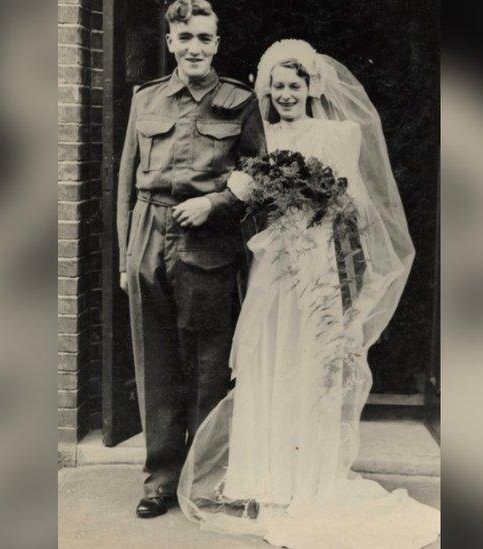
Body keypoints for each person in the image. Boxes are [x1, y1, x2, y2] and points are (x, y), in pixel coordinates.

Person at [178, 40, 441, 547]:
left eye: (294, 86)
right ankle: (262, 477)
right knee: (267, 351)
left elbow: (352, 202)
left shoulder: (337, 133)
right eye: (277, 87)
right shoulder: (263, 136)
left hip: (316, 258)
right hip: (272, 259)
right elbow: (246, 191)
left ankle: (307, 477)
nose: (285, 95)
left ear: (311, 87)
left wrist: (314, 217)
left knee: (309, 353)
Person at [116, 0, 266, 519]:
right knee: (155, 363)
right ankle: (160, 479)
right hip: (149, 237)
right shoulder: (146, 99)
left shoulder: (240, 102)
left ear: (217, 43)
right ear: (170, 42)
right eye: (185, 38)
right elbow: (126, 183)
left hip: (209, 245)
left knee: (206, 366)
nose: (194, 47)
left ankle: (201, 477)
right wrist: (126, 256)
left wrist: (217, 203)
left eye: (204, 37)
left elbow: (259, 176)